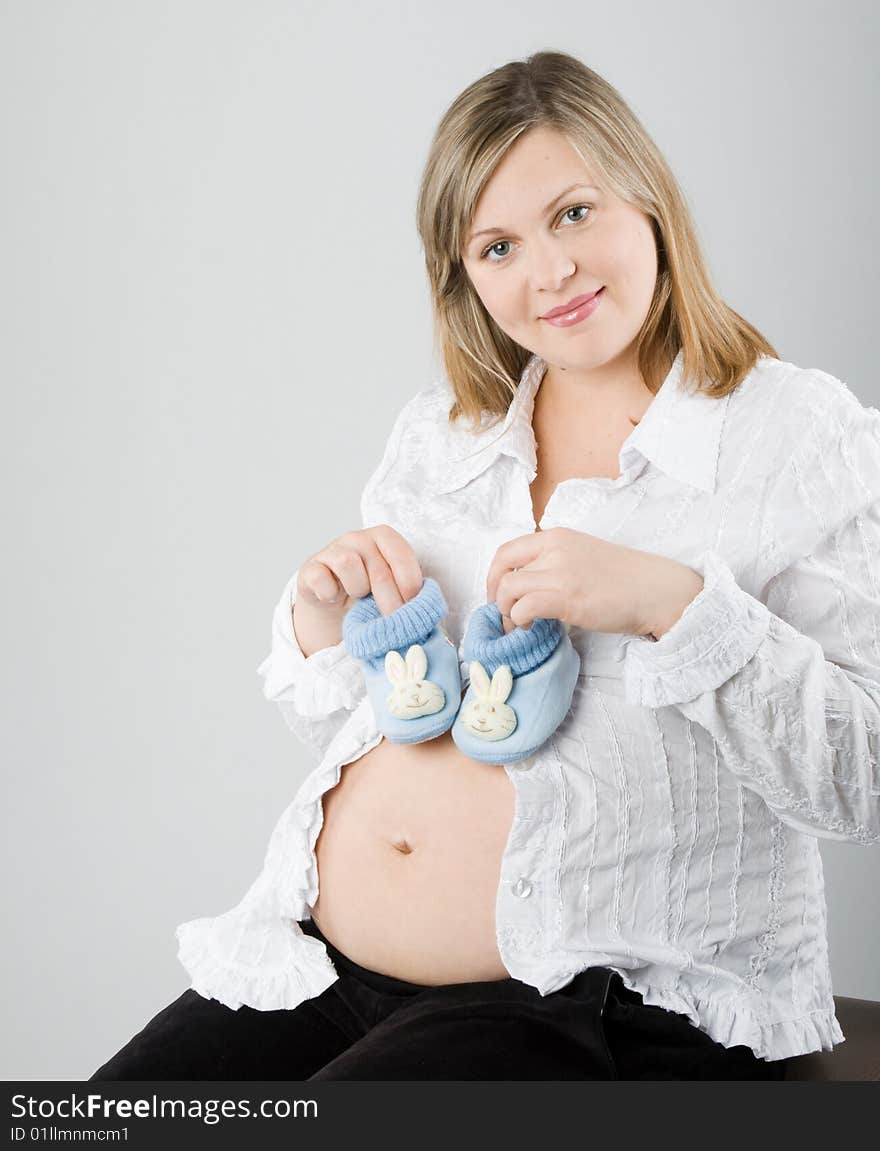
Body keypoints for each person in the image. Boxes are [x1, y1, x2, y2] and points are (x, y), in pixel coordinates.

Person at [89, 49, 880, 1082]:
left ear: (644, 195)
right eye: (497, 245)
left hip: (591, 996)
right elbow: (393, 718)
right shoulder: (442, 435)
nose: (548, 271)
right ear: (462, 274)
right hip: (327, 970)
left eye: (572, 213)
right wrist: (333, 622)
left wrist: (669, 604)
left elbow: (855, 777)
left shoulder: (795, 431)